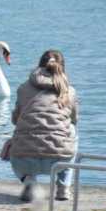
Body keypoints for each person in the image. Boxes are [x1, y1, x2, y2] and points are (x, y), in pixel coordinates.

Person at [9, 50, 79, 202]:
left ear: (39, 66)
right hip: (59, 160)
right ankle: (63, 188)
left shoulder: (23, 88)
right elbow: (74, 119)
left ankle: (29, 180)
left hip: (24, 159)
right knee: (71, 130)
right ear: (62, 68)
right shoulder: (69, 91)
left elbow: (15, 120)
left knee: (20, 132)